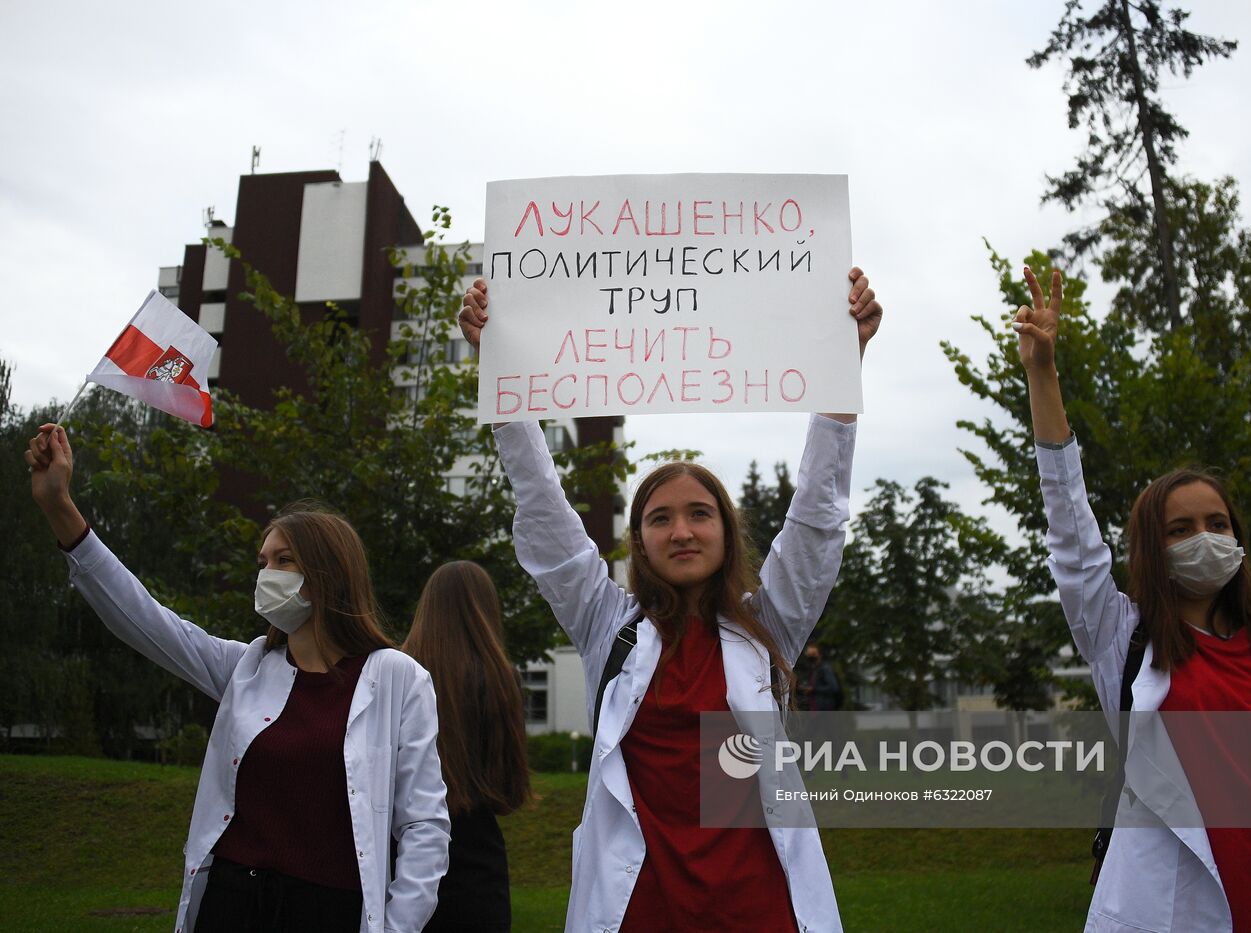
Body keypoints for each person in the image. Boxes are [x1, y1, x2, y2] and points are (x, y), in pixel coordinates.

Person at [458, 267, 881, 932]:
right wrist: (500, 371)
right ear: (639, 541)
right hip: (639, 912)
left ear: (725, 529)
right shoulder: (609, 628)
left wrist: (841, 366)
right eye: (660, 518)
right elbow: (544, 507)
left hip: (761, 912)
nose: (681, 530)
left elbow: (817, 519)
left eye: (699, 513)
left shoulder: (769, 626)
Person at [1014, 267, 1251, 932]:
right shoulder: (1123, 641)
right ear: (1151, 549)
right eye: (1180, 529)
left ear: (1238, 534)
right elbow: (1069, 525)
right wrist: (1044, 373)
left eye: (1217, 523)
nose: (1204, 538)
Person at [24, 424, 450, 933]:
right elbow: (141, 618)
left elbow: (424, 826)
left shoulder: (398, 678)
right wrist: (59, 507)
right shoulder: (246, 666)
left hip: (326, 913)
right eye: (263, 561)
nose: (266, 572)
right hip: (230, 905)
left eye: (284, 560)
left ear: (329, 573)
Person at [401, 561, 531, 933]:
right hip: (478, 858)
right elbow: (509, 789)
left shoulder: (397, 674)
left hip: (405, 850)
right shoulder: (500, 679)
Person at [795, 641, 842, 711]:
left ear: (819, 655)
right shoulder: (813, 670)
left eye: (813, 654)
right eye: (809, 654)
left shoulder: (825, 668)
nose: (811, 657)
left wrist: (813, 689)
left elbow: (833, 687)